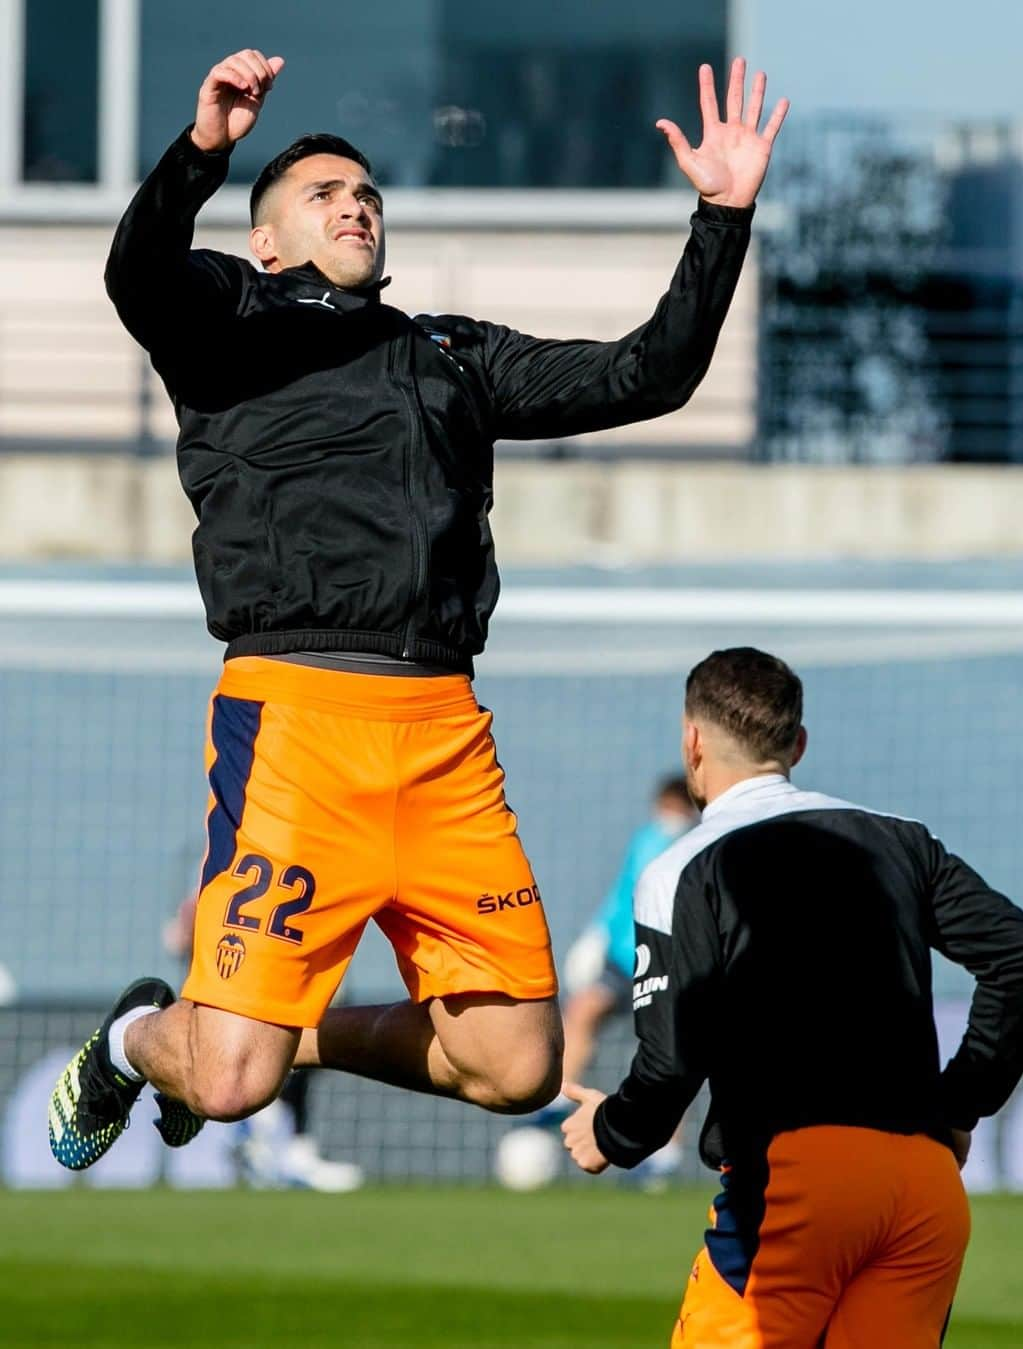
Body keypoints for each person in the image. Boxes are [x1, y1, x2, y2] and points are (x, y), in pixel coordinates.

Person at [47, 50, 789, 1173]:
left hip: (443, 738)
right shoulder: (221, 316)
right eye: (324, 194)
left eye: (367, 196)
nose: (355, 205)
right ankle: (133, 1037)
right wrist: (206, 148)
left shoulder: (450, 353)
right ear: (267, 238)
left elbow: (652, 373)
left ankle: (295, 1036)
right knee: (227, 1081)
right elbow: (136, 272)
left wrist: (721, 216)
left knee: (516, 1062)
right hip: (297, 731)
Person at [561, 647, 1023, 1348]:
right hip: (926, 1187)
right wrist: (957, 1103)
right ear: (797, 744)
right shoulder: (901, 839)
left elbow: (673, 1055)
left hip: (799, 1182)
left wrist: (612, 1130)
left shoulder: (683, 865)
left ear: (692, 740)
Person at [530, 776, 696, 1182]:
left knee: (667, 1052)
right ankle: (556, 1096)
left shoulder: (695, 848)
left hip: (667, 962)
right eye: (665, 807)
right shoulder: (643, 841)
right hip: (624, 958)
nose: (668, 816)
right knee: (583, 1008)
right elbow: (622, 894)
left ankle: (664, 1154)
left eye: (676, 808)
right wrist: (597, 934)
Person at [163, 896, 362, 1191]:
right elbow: (179, 932)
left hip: (280, 960)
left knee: (295, 1058)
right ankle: (263, 1143)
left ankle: (281, 1146)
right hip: (250, 979)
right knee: (261, 1059)